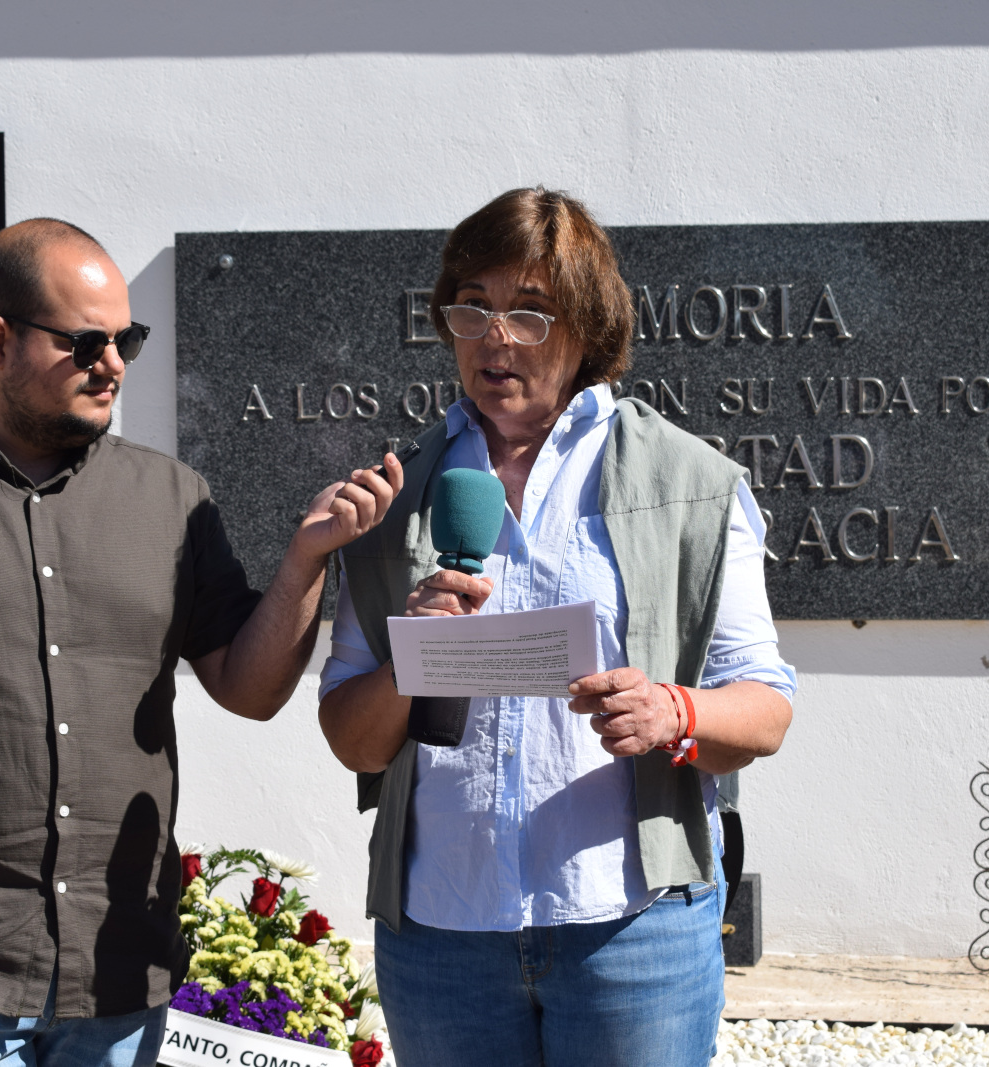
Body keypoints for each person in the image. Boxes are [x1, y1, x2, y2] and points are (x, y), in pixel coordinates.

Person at [0, 218, 404, 1067]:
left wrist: (307, 559)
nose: (115, 362)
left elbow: (250, 686)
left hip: (118, 986)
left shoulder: (172, 497)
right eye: (87, 341)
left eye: (126, 338)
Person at [317, 188, 796, 1067]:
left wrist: (673, 714)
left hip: (632, 927)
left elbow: (765, 708)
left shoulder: (693, 481)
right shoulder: (395, 498)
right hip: (444, 934)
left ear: (588, 328)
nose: (496, 337)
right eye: (476, 308)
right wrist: (413, 660)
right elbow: (353, 738)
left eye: (531, 313)